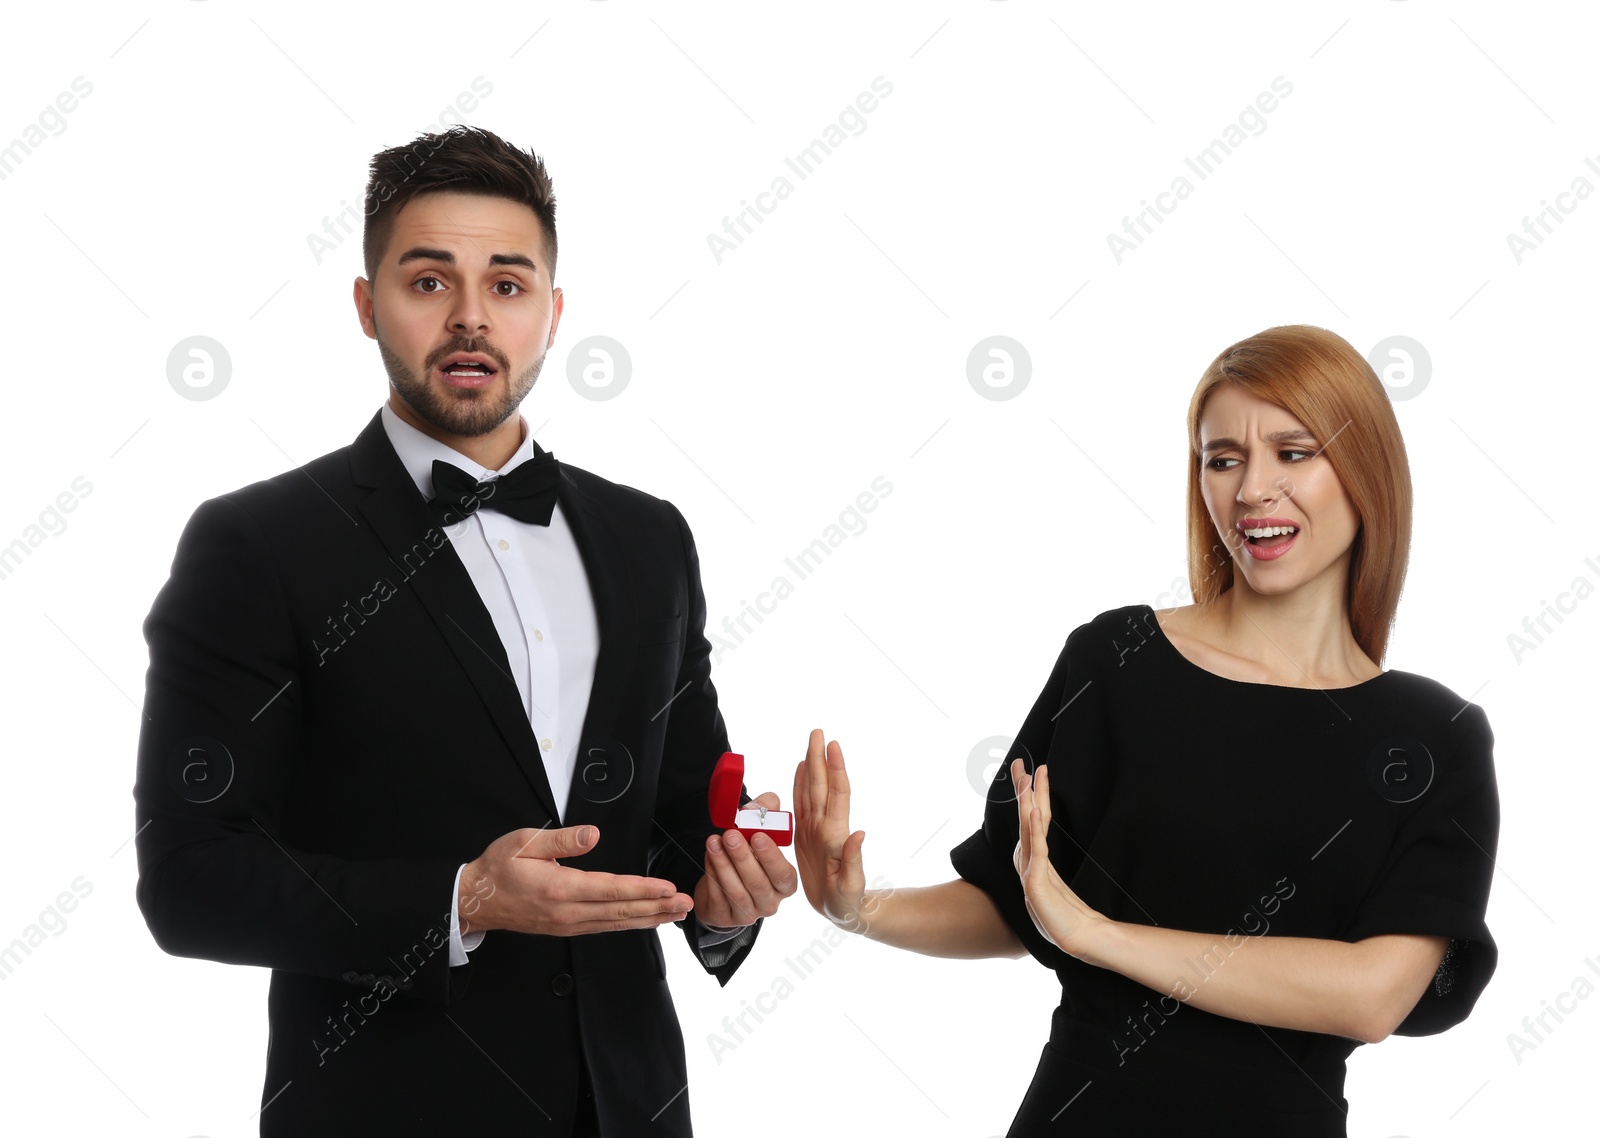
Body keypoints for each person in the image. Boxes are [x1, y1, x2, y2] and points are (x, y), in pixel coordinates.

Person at [133, 125, 798, 1137]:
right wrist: (464, 899)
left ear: (554, 313)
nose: (472, 319)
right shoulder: (256, 543)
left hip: (631, 1107)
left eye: (509, 283)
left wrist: (728, 890)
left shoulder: (647, 538)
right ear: (366, 305)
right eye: (430, 282)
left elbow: (672, 826)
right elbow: (190, 880)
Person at [793, 325, 1499, 1136]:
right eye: (1223, 458)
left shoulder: (1434, 737)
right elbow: (1018, 901)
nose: (1252, 490)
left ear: (1365, 467)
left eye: (1293, 453)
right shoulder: (1117, 663)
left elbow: (1373, 995)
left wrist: (1098, 935)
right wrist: (856, 908)